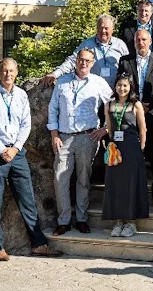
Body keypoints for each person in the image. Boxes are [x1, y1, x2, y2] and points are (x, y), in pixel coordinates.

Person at [0, 58, 62, 261]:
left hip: (16, 153)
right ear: (0, 72)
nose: (8, 74)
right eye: (5, 70)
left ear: (17, 72)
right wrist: (1, 149)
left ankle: (38, 244)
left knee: (27, 198)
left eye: (12, 71)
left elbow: (26, 125)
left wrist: (15, 149)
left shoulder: (21, 95)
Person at [48, 48, 113, 236]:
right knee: (60, 178)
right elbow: (53, 110)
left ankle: (82, 219)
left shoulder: (98, 83)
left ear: (92, 64)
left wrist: (106, 129)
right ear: (76, 61)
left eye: (87, 61)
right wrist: (54, 134)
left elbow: (114, 105)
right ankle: (64, 221)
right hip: (64, 137)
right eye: (80, 60)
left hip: (88, 137)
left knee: (83, 179)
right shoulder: (62, 82)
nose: (83, 63)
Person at [117, 30, 153, 209]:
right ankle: (132, 196)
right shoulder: (125, 61)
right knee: (131, 156)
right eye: (138, 39)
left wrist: (150, 105)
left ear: (150, 41)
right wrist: (135, 104)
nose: (141, 42)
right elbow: (121, 85)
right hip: (130, 114)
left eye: (144, 39)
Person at [103, 73, 149, 237]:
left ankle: (131, 222)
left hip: (131, 148)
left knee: (130, 184)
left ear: (130, 87)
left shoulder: (135, 105)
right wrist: (111, 147)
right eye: (119, 85)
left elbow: (142, 129)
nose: (122, 88)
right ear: (115, 87)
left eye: (125, 86)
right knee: (115, 183)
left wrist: (141, 149)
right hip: (115, 147)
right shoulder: (109, 105)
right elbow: (109, 129)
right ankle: (118, 221)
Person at [43, 14, 128, 88]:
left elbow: (129, 66)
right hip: (94, 90)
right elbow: (72, 60)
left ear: (113, 29)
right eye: (100, 28)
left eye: (106, 28)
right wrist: (55, 74)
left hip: (116, 91)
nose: (103, 31)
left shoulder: (120, 45)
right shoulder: (87, 45)